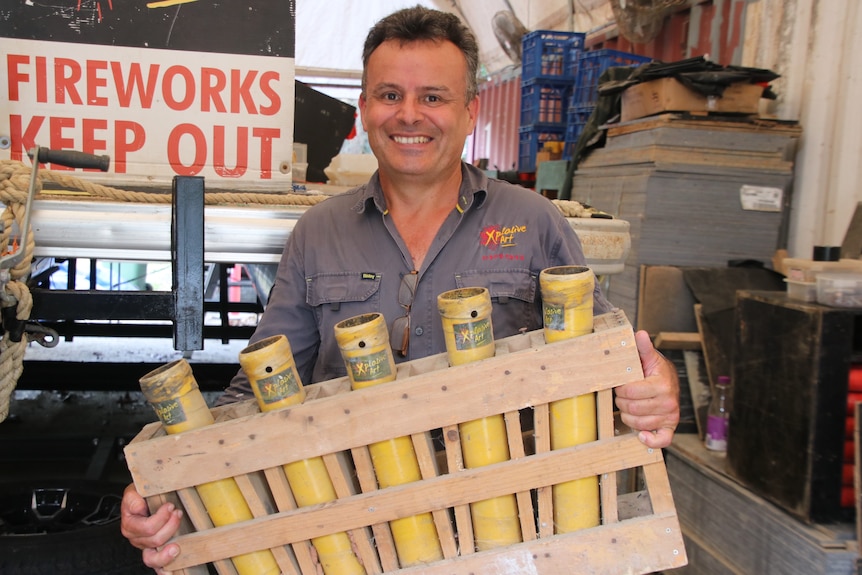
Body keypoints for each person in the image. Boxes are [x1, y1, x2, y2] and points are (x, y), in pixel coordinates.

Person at [121, 6, 680, 572]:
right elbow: (253, 396)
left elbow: (611, 364)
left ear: (468, 111)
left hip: (512, 528)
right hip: (351, 536)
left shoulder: (534, 221)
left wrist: (655, 386)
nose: (409, 115)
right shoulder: (318, 233)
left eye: (433, 97)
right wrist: (170, 481)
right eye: (390, 95)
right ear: (364, 108)